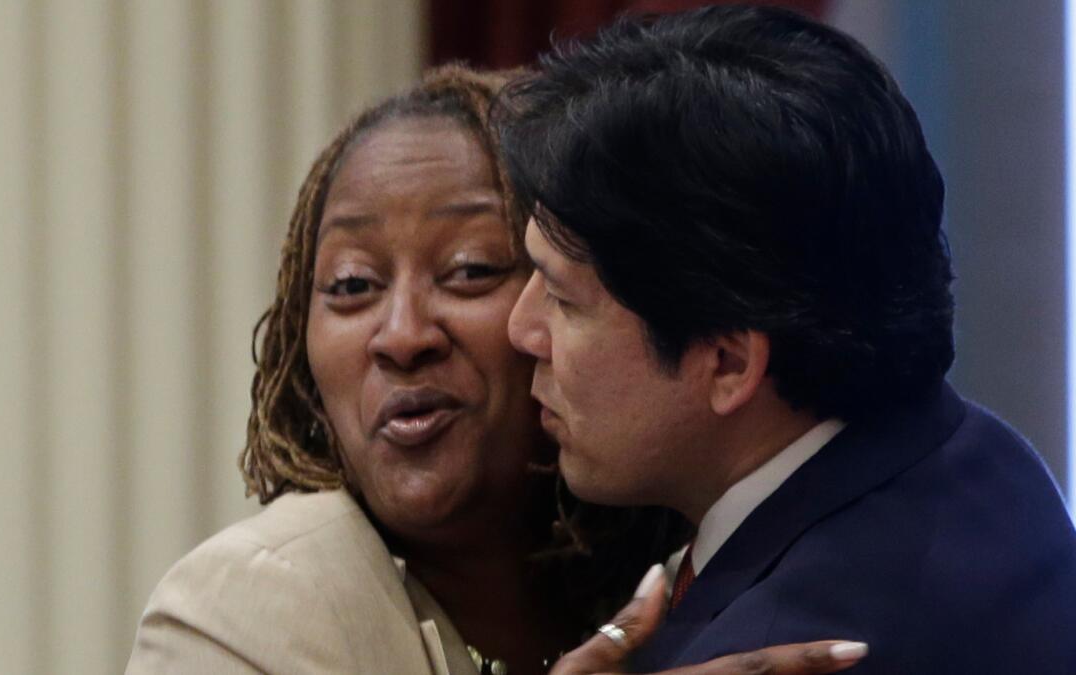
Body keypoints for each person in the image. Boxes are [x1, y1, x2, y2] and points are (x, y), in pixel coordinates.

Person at [125, 65, 869, 675]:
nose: (404, 335)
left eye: (472, 270)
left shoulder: (677, 568)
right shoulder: (245, 607)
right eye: (352, 285)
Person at [498, 5, 1076, 673]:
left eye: (564, 299)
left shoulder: (777, 644)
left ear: (728, 360)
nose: (520, 329)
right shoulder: (976, 453)